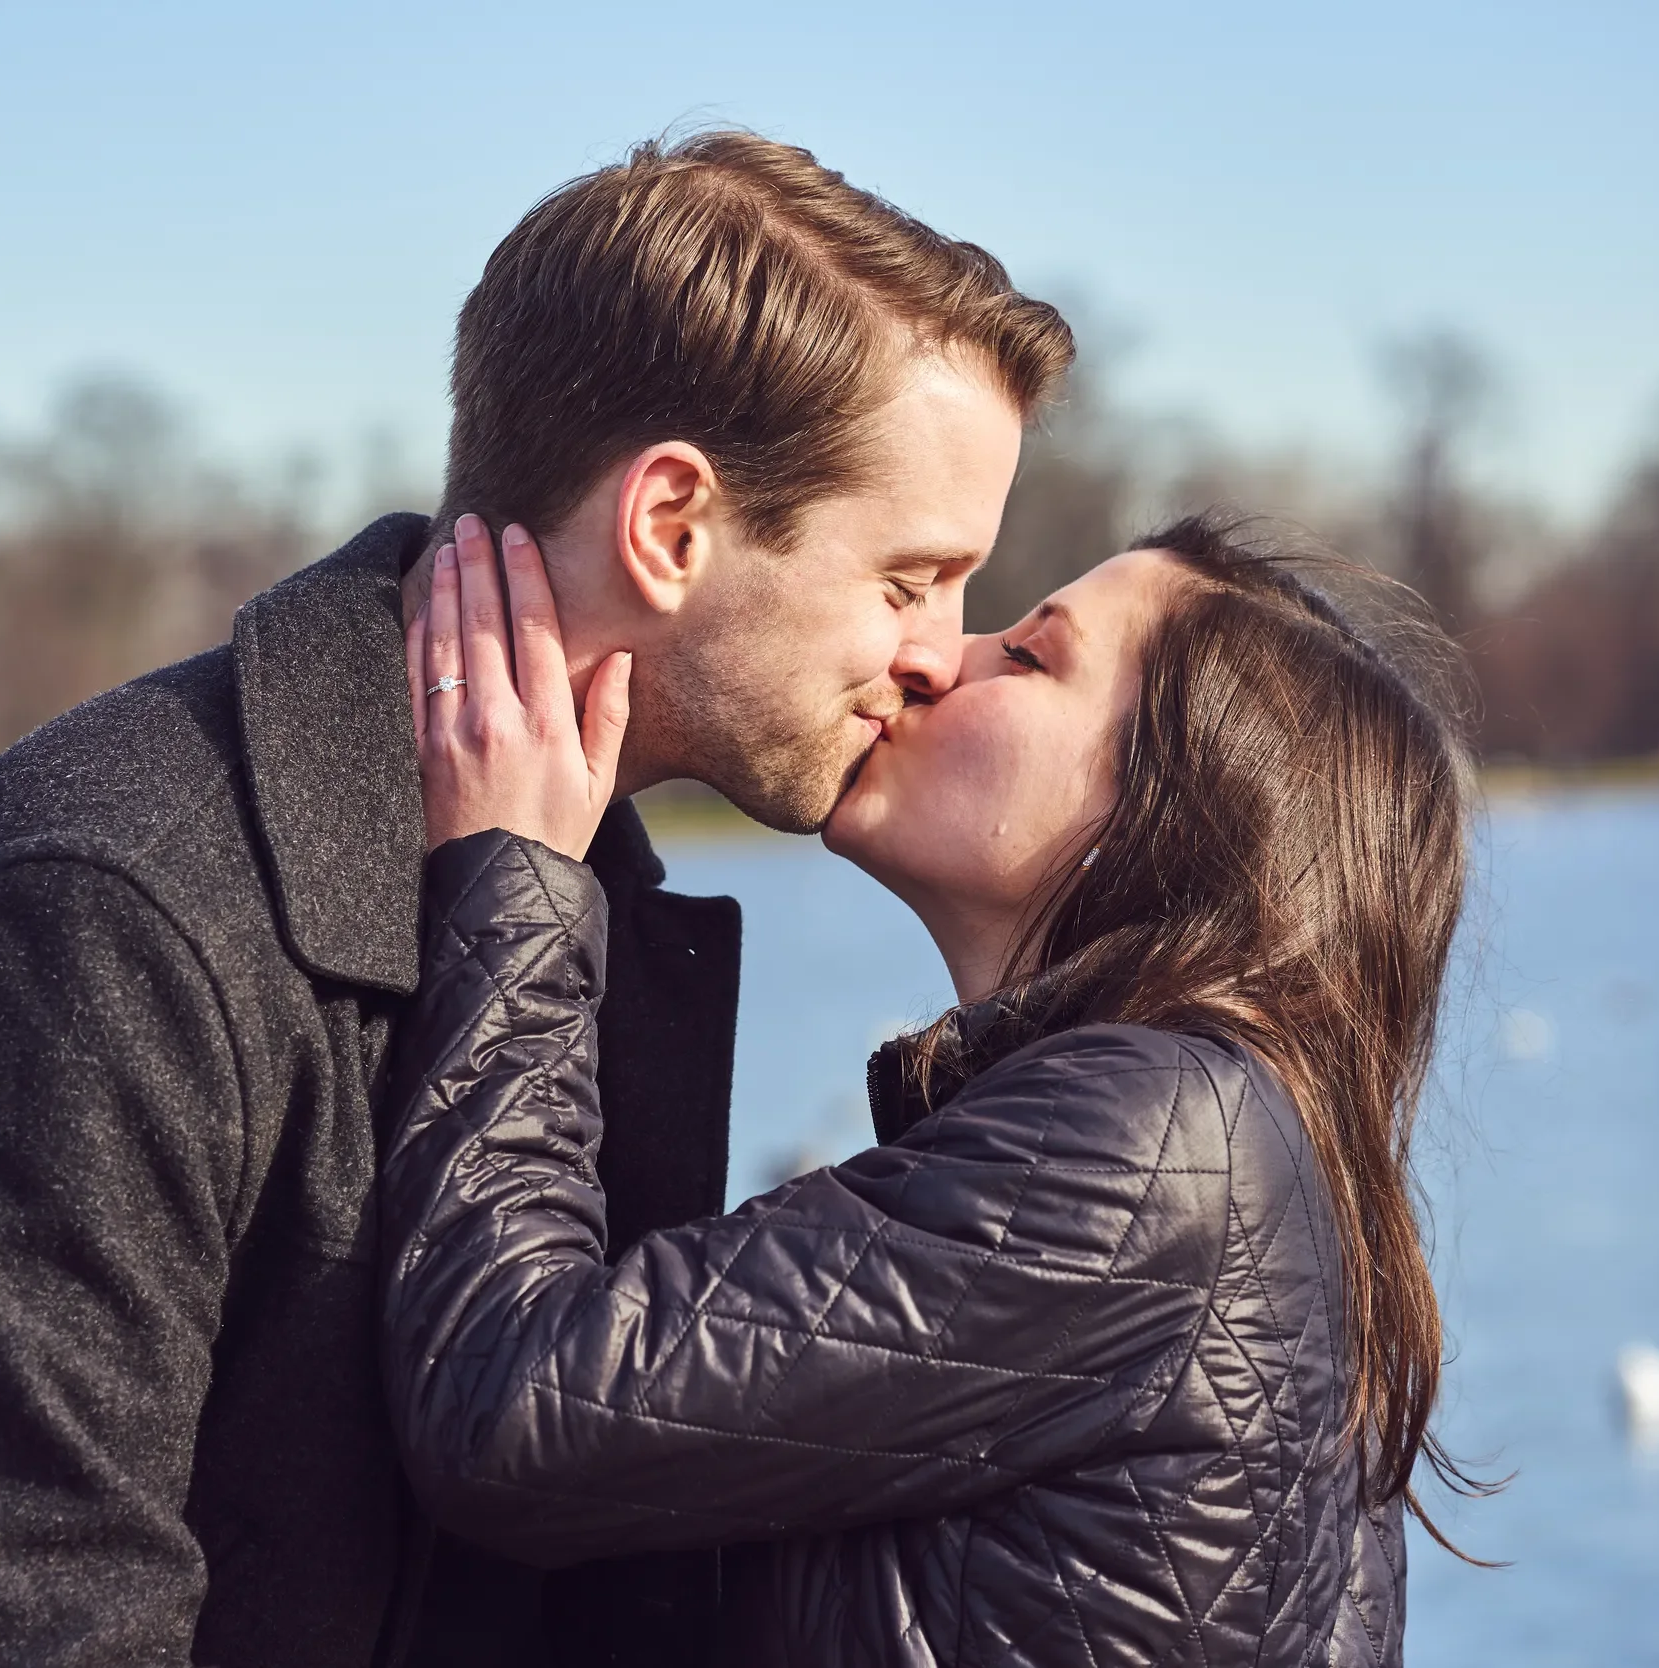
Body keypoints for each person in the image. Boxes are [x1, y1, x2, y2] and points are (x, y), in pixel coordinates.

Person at [0, 132, 1071, 1667]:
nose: (937, 653)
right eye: (909, 578)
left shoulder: (566, 888)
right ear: (672, 526)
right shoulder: (104, 917)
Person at [382, 513, 1490, 1665]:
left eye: (1026, 655)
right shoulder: (1244, 1153)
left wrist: (509, 875)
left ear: (1169, 819)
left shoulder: (1162, 1143)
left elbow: (507, 1396)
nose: (934, 657)